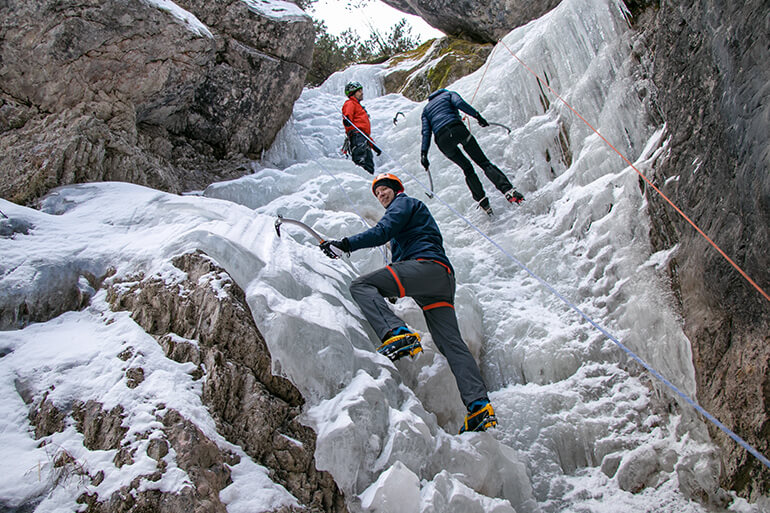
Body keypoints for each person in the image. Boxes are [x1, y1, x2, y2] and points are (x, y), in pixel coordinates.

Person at [320, 173, 497, 434]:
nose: (382, 195)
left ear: (396, 189)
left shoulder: (403, 203)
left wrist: (344, 245)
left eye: (385, 190)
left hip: (426, 268)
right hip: (439, 281)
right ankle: (479, 406)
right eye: (378, 193)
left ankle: (398, 333)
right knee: (451, 344)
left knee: (361, 285)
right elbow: (400, 255)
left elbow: (382, 232)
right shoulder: (410, 216)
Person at [420, 88, 524, 216]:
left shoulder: (426, 110)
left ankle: (483, 202)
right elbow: (460, 104)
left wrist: (424, 153)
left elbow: (426, 132)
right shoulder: (449, 94)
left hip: (442, 141)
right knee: (483, 162)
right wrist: (478, 116)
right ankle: (508, 190)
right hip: (457, 128)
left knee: (467, 169)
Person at [342, 81, 381, 175]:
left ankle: (368, 179)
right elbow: (348, 114)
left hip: (363, 137)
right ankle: (361, 177)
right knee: (361, 160)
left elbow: (364, 131)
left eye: (361, 90)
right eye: (359, 91)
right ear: (352, 93)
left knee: (369, 163)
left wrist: (373, 145)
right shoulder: (350, 103)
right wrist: (347, 119)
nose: (362, 93)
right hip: (357, 136)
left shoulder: (359, 106)